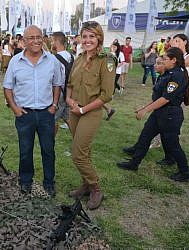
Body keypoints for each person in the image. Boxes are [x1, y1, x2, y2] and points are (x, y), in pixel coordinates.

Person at [3, 25, 63, 197]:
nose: (36, 40)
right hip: (25, 114)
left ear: (43, 38)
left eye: (39, 37)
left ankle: (49, 182)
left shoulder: (52, 60)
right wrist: (15, 108)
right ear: (24, 41)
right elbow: (7, 87)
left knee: (48, 150)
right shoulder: (16, 61)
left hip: (46, 114)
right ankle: (25, 181)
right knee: (25, 150)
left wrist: (54, 105)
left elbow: (57, 84)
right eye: (31, 38)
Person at [117, 47, 189, 182]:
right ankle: (134, 163)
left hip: (170, 116)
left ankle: (185, 172)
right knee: (145, 137)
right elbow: (158, 96)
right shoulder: (168, 73)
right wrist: (144, 107)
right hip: (160, 113)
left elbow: (165, 99)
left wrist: (146, 110)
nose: (162, 61)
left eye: (165, 59)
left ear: (174, 60)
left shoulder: (177, 75)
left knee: (173, 145)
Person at [66, 21, 115, 210]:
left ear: (99, 38)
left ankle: (95, 188)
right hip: (74, 111)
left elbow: (106, 95)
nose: (87, 40)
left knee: (78, 153)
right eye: (84, 36)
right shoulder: (78, 59)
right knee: (84, 151)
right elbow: (70, 84)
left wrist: (83, 109)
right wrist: (70, 102)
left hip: (90, 112)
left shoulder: (107, 59)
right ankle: (85, 185)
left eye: (91, 36)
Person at [51, 31, 74, 134]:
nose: (51, 43)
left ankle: (50, 143)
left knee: (52, 119)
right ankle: (77, 141)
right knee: (68, 118)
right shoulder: (72, 56)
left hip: (59, 93)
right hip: (69, 93)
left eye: (52, 41)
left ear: (56, 41)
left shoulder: (54, 59)